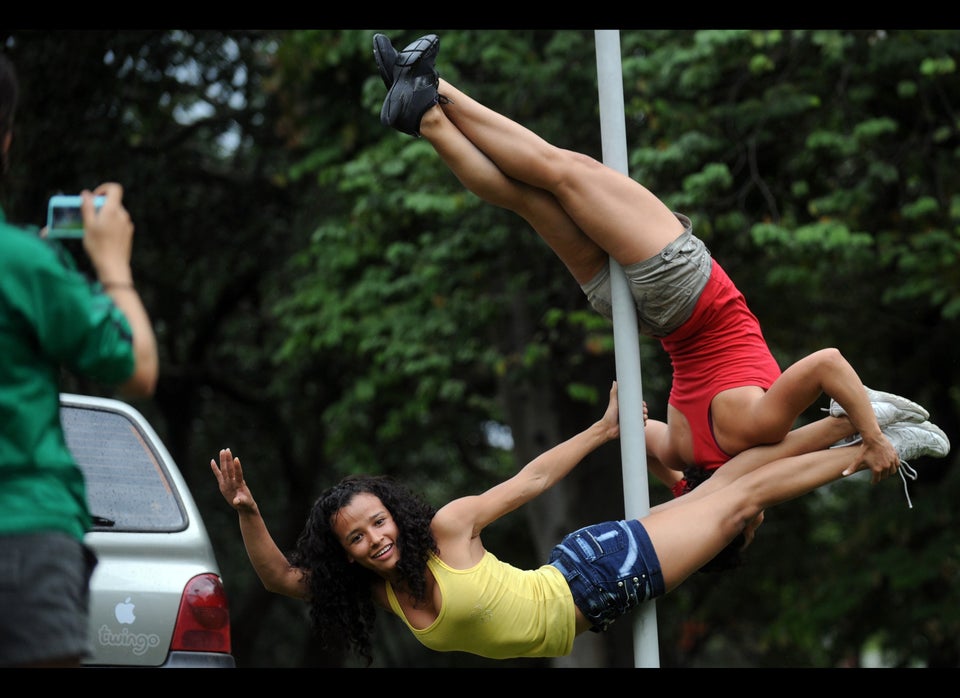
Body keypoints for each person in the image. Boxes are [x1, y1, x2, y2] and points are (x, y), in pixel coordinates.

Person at [372, 33, 938, 573]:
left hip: (679, 286)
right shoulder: (682, 450)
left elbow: (828, 363)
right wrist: (675, 484)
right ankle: (426, 118)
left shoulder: (756, 430)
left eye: (751, 526)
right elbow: (637, 436)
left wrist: (872, 437)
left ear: (735, 525)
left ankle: (433, 89)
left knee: (564, 172)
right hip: (632, 313)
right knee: (528, 200)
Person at [211, 380, 949, 664]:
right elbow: (278, 577)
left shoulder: (444, 532)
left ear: (393, 517)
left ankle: (873, 451)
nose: (374, 540)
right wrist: (247, 513)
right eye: (357, 539)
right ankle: (850, 423)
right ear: (346, 552)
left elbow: (529, 479)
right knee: (728, 486)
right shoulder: (377, 590)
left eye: (377, 523)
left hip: (593, 579)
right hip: (587, 581)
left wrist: (602, 432)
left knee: (737, 503)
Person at [0, 53, 159, 668]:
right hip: (21, 535)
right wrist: (112, 261)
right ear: (6, 139)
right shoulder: (26, 265)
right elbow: (138, 368)